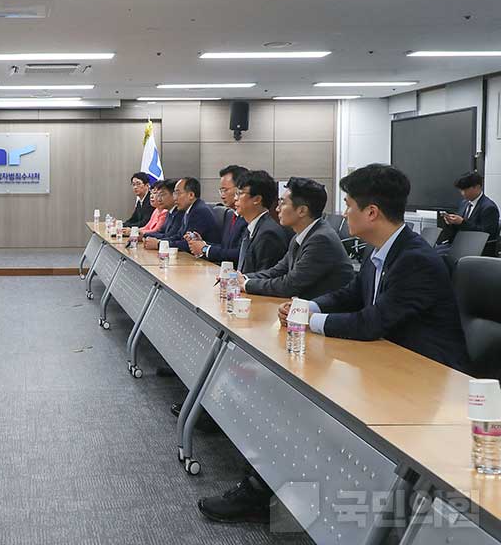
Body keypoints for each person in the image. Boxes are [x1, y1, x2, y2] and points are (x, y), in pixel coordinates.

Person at [198, 164, 469, 525]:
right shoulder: (379, 252)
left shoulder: (415, 259)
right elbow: (350, 294)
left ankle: (269, 490)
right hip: (384, 363)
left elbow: (371, 322)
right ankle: (269, 485)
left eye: (349, 204)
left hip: (425, 382)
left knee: (301, 403)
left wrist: (309, 321)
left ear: (371, 212)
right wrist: (307, 306)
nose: (344, 212)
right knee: (292, 393)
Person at [239, 177, 354, 299]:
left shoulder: (321, 239)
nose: (277, 209)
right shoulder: (299, 236)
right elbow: (277, 271)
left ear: (302, 211)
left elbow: (289, 285)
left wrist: (246, 284)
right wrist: (243, 278)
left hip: (326, 311)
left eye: (282, 203)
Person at [231, 170, 287, 273]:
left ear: (257, 199)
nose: (235, 198)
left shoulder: (268, 234)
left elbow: (264, 279)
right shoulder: (253, 227)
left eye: (240, 193)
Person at [189, 165, 247, 262]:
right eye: (221, 190)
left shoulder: (247, 218)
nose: (222, 195)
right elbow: (225, 247)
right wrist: (202, 244)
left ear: (240, 189)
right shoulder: (231, 215)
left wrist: (205, 249)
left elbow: (240, 253)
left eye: (225, 190)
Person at [440, 171, 499, 256]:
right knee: (431, 252)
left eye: (466, 190)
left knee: (440, 257)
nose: (463, 193)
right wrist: (451, 223)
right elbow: (458, 229)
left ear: (478, 187)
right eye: (461, 190)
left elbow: (486, 234)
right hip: (459, 243)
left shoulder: (489, 208)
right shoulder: (464, 203)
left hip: (475, 248)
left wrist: (462, 222)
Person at [166, 177, 221, 253]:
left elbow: (188, 244)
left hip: (207, 260)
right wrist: (160, 242)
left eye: (178, 193)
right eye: (174, 193)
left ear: (191, 195)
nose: (175, 198)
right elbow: (179, 236)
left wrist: (161, 244)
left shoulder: (199, 211)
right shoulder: (190, 209)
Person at [143, 179, 183, 246]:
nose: (159, 199)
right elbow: (160, 231)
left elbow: (170, 236)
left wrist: (158, 243)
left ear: (174, 195)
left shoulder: (180, 213)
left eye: (162, 195)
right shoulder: (169, 212)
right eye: (158, 195)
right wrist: (144, 235)